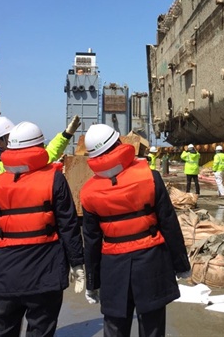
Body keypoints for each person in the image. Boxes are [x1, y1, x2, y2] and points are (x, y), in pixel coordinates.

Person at [80, 124, 191, 337]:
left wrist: (92, 282)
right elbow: (169, 224)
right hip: (151, 262)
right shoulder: (150, 177)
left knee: (114, 327)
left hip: (113, 267)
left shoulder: (88, 192)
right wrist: (181, 265)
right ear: (119, 144)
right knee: (152, 327)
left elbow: (92, 241)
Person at [0, 121, 84, 337]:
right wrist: (77, 264)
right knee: (41, 330)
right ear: (39, 146)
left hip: (7, 272)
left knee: (4, 330)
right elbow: (68, 225)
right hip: (46, 271)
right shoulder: (54, 179)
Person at [0, 115, 81, 205]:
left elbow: (47, 154)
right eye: (10, 136)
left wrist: (66, 135)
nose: (16, 138)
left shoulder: (17, 160)